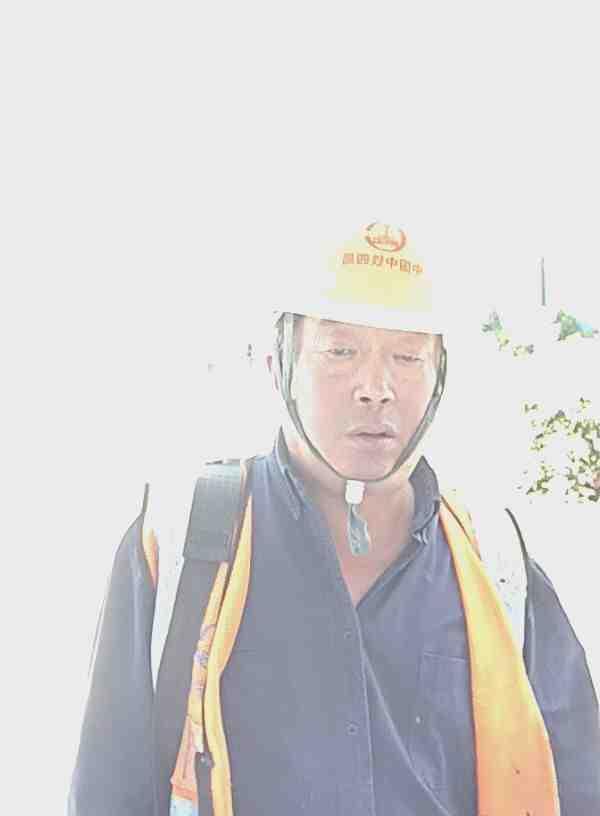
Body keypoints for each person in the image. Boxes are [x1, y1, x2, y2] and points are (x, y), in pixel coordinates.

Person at [69, 220, 600, 816]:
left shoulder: (496, 567)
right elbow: (106, 792)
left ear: (439, 377)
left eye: (407, 356)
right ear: (280, 365)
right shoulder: (182, 546)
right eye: (340, 351)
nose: (375, 388)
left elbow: (578, 786)